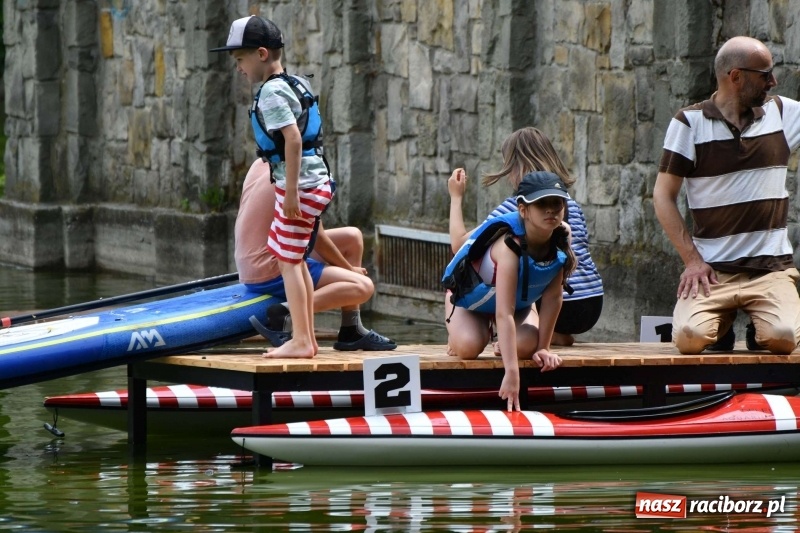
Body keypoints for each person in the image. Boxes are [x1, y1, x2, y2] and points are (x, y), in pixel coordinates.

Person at [213, 16, 395, 356]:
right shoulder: (294, 86)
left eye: (240, 60)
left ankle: (300, 334)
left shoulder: (275, 135)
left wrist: (292, 190)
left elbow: (292, 139)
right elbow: (316, 232)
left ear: (262, 54)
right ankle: (315, 330)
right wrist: (345, 266)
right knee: (313, 256)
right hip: (310, 192)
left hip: (299, 196)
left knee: (293, 262)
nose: (238, 68)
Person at [653, 35, 800, 355]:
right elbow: (663, 196)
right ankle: (719, 325)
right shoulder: (689, 124)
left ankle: (757, 327)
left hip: (771, 269)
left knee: (783, 336)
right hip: (713, 271)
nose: (773, 81)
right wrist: (692, 260)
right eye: (765, 75)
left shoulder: (783, 113)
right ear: (735, 76)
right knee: (689, 338)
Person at [447, 127, 603, 346]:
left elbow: (459, 245)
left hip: (557, 304)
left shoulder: (517, 209)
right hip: (591, 303)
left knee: (513, 286)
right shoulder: (568, 204)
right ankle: (552, 335)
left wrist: (456, 197)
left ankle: (526, 333)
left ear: (515, 167)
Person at [442, 171, 577, 411]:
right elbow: (504, 313)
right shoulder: (509, 246)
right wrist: (512, 373)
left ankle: (504, 341)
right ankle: (458, 332)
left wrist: (544, 348)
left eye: (556, 203)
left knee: (528, 346)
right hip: (472, 304)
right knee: (468, 349)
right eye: (541, 204)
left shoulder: (559, 239)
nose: (550, 210)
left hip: (519, 306)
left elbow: (554, 297)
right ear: (523, 209)